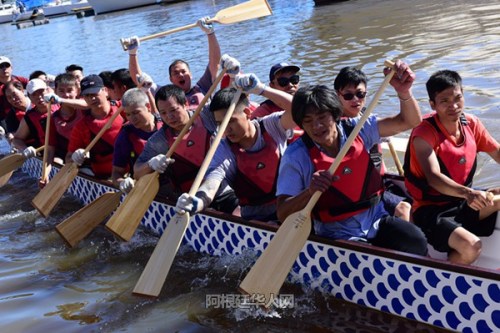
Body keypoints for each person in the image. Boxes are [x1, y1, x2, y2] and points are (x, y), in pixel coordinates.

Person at [275, 67, 428, 256]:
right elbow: (282, 213)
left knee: (416, 241)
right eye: (308, 121)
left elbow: (409, 121)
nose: (316, 126)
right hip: (336, 231)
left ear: (336, 115)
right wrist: (309, 191)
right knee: (372, 257)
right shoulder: (295, 156)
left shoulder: (360, 128)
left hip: (376, 217)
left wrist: (404, 92)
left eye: (322, 117)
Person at [404, 70, 500, 264]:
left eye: (458, 98)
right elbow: (433, 177)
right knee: (472, 246)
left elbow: (497, 153)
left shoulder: (471, 124)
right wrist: (469, 193)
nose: (454, 106)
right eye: (445, 101)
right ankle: (445, 280)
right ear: (433, 104)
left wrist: (468, 195)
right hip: (430, 211)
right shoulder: (424, 133)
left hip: (462, 202)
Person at [174, 73, 297, 222]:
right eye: (220, 124)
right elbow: (211, 184)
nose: (226, 129)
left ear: (247, 113)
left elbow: (298, 109)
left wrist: (261, 89)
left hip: (290, 210)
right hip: (255, 219)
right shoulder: (222, 147)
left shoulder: (271, 126)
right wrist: (197, 202)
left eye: (230, 121)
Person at [133, 83, 238, 214]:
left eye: (173, 110)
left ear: (185, 104)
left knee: (239, 211)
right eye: (163, 113)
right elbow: (137, 172)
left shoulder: (206, 115)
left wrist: (236, 81)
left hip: (221, 190)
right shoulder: (159, 141)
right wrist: (151, 164)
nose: (169, 117)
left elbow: (234, 102)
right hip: (187, 200)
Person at [334, 66, 411, 221]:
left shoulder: (367, 120)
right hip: (358, 196)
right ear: (337, 96)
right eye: (348, 96)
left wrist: (404, 92)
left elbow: (410, 121)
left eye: (360, 94)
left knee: (413, 200)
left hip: (378, 186)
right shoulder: (334, 129)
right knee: (404, 209)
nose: (356, 100)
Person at [124, 16, 221, 108]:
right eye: (176, 73)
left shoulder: (203, 87)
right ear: (171, 79)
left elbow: (215, 62)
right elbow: (138, 78)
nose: (180, 75)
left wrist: (210, 33)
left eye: (183, 71)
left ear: (190, 75)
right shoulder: (164, 95)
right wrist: (132, 53)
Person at [67, 74, 124, 179]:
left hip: (130, 170)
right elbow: (68, 158)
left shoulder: (122, 108)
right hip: (103, 177)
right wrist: (75, 157)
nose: (92, 98)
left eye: (94, 93)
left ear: (105, 91)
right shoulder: (81, 126)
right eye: (87, 95)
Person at [112, 88, 161, 193]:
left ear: (148, 107)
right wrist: (122, 182)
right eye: (128, 114)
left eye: (136, 112)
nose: (132, 119)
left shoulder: (166, 123)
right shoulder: (125, 135)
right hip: (145, 189)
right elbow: (116, 173)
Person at [12, 79, 56, 187]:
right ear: (30, 98)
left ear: (48, 91)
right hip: (49, 153)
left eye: (41, 92)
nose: (39, 97)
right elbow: (16, 140)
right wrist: (24, 149)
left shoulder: (61, 107)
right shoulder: (29, 117)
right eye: (34, 94)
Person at [43, 73, 87, 163]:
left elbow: (88, 104)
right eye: (61, 91)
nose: (66, 95)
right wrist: (45, 174)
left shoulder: (84, 107)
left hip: (89, 152)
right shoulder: (53, 118)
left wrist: (60, 100)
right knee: (57, 161)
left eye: (70, 90)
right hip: (69, 157)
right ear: (55, 92)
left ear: (77, 91)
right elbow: (50, 149)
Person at [0, 56, 28, 130]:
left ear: (11, 67)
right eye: (1, 66)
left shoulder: (19, 79)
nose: (4, 68)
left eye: (7, 65)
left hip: (24, 111)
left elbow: (34, 86)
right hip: (6, 119)